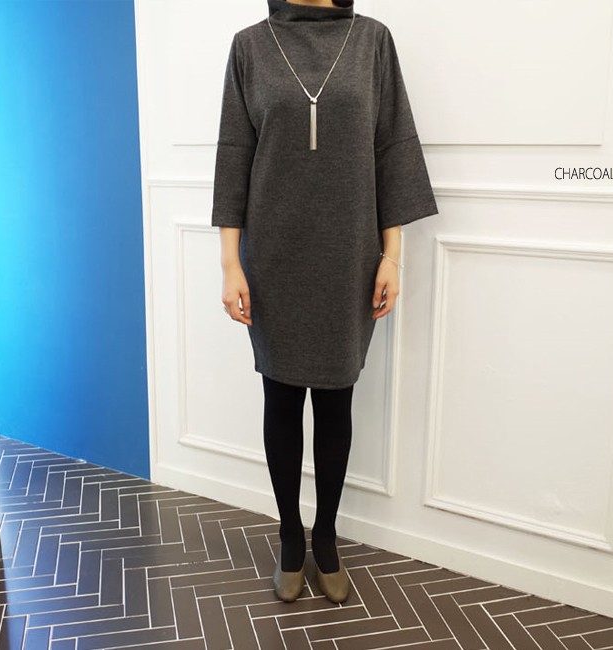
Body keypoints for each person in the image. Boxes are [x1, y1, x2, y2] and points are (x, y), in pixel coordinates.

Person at [212, 0, 439, 603]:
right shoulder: (250, 46)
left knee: (337, 400)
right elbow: (234, 155)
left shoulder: (372, 41)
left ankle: (328, 535)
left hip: (349, 256)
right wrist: (231, 264)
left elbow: (392, 148)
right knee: (281, 398)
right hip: (273, 257)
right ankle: (290, 536)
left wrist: (392, 255)